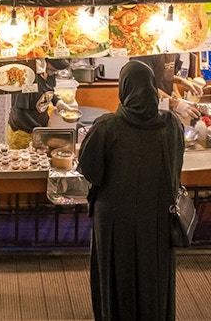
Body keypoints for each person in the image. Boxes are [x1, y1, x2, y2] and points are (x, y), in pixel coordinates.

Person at [78, 60, 185, 321]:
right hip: (158, 220)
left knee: (116, 277)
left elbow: (90, 170)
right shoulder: (172, 125)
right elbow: (176, 166)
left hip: (116, 222)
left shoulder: (106, 127)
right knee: (154, 278)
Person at [7, 57, 71, 149]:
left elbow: (48, 91)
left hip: (41, 127)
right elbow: (19, 114)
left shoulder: (49, 74)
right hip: (22, 132)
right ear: (44, 61)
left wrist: (58, 102)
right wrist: (39, 130)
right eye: (53, 69)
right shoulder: (27, 77)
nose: (54, 72)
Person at [134, 53, 202, 120]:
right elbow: (145, 85)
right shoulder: (146, 54)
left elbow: (166, 76)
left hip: (164, 107)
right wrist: (176, 104)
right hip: (145, 109)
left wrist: (181, 81)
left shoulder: (172, 51)